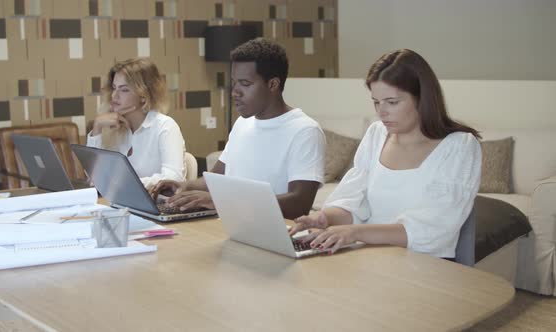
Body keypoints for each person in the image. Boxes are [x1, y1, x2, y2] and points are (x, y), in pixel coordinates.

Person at [290, 49, 482, 259]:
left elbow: (434, 229)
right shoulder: (376, 134)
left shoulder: (460, 146)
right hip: (371, 257)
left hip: (425, 266)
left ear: (422, 98)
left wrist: (355, 233)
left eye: (392, 102)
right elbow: (355, 201)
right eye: (376, 102)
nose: (381, 112)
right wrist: (324, 218)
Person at [149, 38, 325, 219]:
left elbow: (299, 203)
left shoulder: (305, 131)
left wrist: (221, 201)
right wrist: (185, 186)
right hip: (232, 225)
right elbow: (216, 179)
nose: (235, 92)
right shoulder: (243, 123)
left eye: (245, 84)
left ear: (273, 84)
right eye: (234, 82)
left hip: (275, 235)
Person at [87, 57, 186, 188]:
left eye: (124, 90)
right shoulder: (113, 127)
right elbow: (93, 177)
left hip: (157, 204)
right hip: (120, 202)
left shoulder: (165, 126)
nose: (114, 96)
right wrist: (97, 127)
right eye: (114, 88)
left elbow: (174, 178)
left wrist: (123, 183)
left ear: (143, 95)